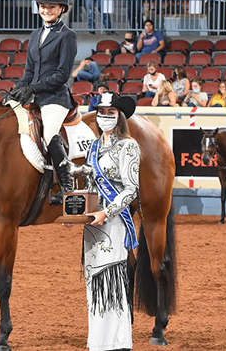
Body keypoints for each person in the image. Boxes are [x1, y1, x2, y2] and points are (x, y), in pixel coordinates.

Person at [10, 0, 77, 200]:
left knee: (49, 134)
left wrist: (33, 88)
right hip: (35, 94)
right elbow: (29, 70)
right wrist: (17, 90)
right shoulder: (34, 34)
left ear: (62, 9)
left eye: (52, 7)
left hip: (55, 98)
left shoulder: (67, 36)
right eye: (43, 6)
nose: (47, 10)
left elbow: (62, 75)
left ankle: (66, 184)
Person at [82, 92, 139, 351]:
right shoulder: (92, 147)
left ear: (120, 116)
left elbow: (131, 189)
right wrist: (76, 214)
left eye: (111, 112)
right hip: (92, 225)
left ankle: (117, 342)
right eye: (101, 111)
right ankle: (98, 341)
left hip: (114, 222)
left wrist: (107, 212)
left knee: (112, 280)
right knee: (94, 280)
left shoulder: (128, 146)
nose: (104, 116)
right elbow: (87, 186)